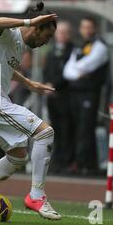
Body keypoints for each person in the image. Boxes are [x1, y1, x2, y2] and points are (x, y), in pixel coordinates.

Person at [0, 2, 62, 221]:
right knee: (45, 133)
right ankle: (36, 196)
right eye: (46, 36)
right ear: (36, 27)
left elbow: (5, 67)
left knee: (17, 157)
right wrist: (29, 20)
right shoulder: (8, 34)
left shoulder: (19, 46)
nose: (46, 41)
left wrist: (28, 82)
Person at [63, 17, 109, 175]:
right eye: (83, 27)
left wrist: (78, 71)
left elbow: (87, 66)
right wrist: (79, 73)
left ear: (94, 28)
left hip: (90, 93)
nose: (86, 30)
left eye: (89, 27)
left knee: (85, 129)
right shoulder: (79, 47)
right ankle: (78, 162)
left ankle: (85, 165)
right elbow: (67, 72)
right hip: (75, 93)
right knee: (75, 128)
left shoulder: (100, 46)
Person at [43, 21, 74, 173]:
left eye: (65, 32)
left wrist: (53, 85)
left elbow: (69, 74)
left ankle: (66, 162)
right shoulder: (50, 51)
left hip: (65, 97)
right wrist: (46, 86)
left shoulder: (73, 51)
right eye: (60, 32)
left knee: (66, 130)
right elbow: (46, 70)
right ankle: (55, 161)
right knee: (54, 129)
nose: (62, 35)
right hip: (52, 97)